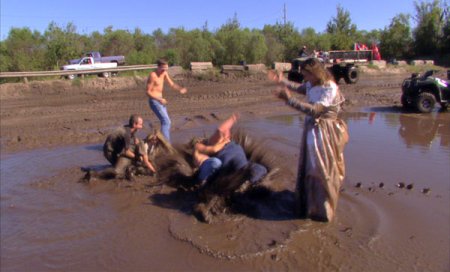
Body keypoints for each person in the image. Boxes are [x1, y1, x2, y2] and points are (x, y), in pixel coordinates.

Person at [268, 58, 349, 222]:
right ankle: (309, 204)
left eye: (307, 75)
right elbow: (301, 88)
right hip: (313, 131)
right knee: (310, 167)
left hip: (326, 133)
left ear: (316, 73)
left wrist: (289, 100)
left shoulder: (329, 88)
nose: (305, 79)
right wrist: (281, 80)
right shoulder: (312, 84)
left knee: (322, 170)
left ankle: (322, 210)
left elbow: (315, 111)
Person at [82, 114, 156, 181]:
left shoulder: (130, 129)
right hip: (110, 151)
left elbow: (131, 138)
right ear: (134, 124)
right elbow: (126, 151)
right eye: (141, 124)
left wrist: (134, 140)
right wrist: (137, 157)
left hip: (116, 147)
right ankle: (95, 174)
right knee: (117, 172)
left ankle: (93, 169)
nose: (142, 126)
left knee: (127, 163)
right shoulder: (126, 134)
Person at [146, 59, 187, 143]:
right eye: (163, 69)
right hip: (154, 101)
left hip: (160, 100)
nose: (164, 71)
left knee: (166, 122)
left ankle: (160, 141)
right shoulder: (153, 75)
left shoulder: (164, 73)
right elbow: (148, 92)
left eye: (166, 69)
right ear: (158, 67)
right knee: (166, 122)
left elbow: (171, 84)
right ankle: (167, 144)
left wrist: (180, 89)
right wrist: (159, 99)